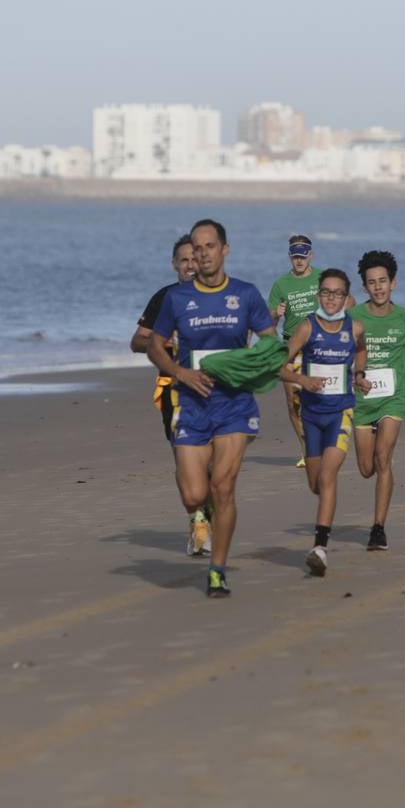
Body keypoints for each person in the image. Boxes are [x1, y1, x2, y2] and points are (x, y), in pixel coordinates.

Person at [147, 219, 274, 597]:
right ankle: (203, 520)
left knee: (223, 486)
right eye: (196, 249)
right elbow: (154, 345)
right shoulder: (176, 299)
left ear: (225, 250)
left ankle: (217, 569)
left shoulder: (246, 295)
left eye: (209, 247)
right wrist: (179, 373)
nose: (202, 254)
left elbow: (270, 342)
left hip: (234, 404)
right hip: (192, 403)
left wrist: (254, 366)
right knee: (193, 494)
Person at [280, 269, 370, 576]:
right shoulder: (306, 328)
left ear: (347, 298)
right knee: (316, 483)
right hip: (311, 416)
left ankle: (320, 546)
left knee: (329, 477)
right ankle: (325, 511)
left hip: (340, 413)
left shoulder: (355, 327)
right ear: (319, 295)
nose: (331, 298)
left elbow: (361, 350)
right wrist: (303, 379)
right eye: (326, 292)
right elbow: (278, 367)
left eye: (338, 293)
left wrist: (359, 376)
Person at [129, 234, 211, 555]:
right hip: (174, 390)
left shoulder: (218, 296)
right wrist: (170, 344)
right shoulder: (164, 298)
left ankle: (209, 513)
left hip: (213, 389)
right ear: (175, 264)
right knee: (184, 458)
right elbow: (138, 341)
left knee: (214, 465)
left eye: (196, 259)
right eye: (185, 260)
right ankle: (198, 523)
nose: (191, 265)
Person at [348, 251, 405, 551]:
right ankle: (378, 517)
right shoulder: (354, 317)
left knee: (383, 459)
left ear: (393, 283)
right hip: (362, 399)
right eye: (372, 283)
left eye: (383, 281)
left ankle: (378, 528)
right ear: (364, 287)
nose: (378, 287)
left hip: (395, 398)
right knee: (365, 468)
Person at [267, 236, 322, 468]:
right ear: (290, 257)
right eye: (295, 256)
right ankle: (306, 450)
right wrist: (276, 314)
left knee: (319, 399)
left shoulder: (322, 278)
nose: (299, 261)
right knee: (293, 402)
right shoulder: (281, 285)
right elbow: (267, 324)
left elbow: (342, 304)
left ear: (311, 255)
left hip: (318, 345)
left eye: (303, 256)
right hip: (291, 348)